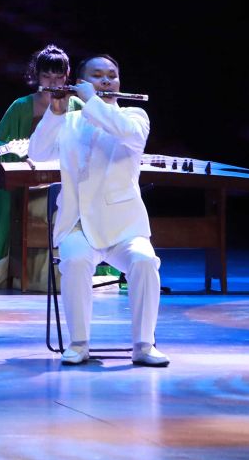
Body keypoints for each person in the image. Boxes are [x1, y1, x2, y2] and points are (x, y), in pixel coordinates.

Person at [32, 53, 167, 367]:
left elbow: (125, 133)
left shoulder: (134, 116)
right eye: (97, 76)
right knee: (76, 260)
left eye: (111, 76)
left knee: (145, 261)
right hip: (78, 224)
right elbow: (37, 153)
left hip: (124, 226)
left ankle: (144, 345)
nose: (106, 81)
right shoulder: (69, 122)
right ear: (81, 82)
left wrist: (91, 100)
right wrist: (54, 112)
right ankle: (78, 343)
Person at [0, 46, 75, 292]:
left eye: (59, 77)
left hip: (67, 181)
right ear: (37, 76)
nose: (53, 83)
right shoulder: (22, 106)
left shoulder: (76, 104)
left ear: (67, 75)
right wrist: (19, 155)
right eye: (47, 76)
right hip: (29, 183)